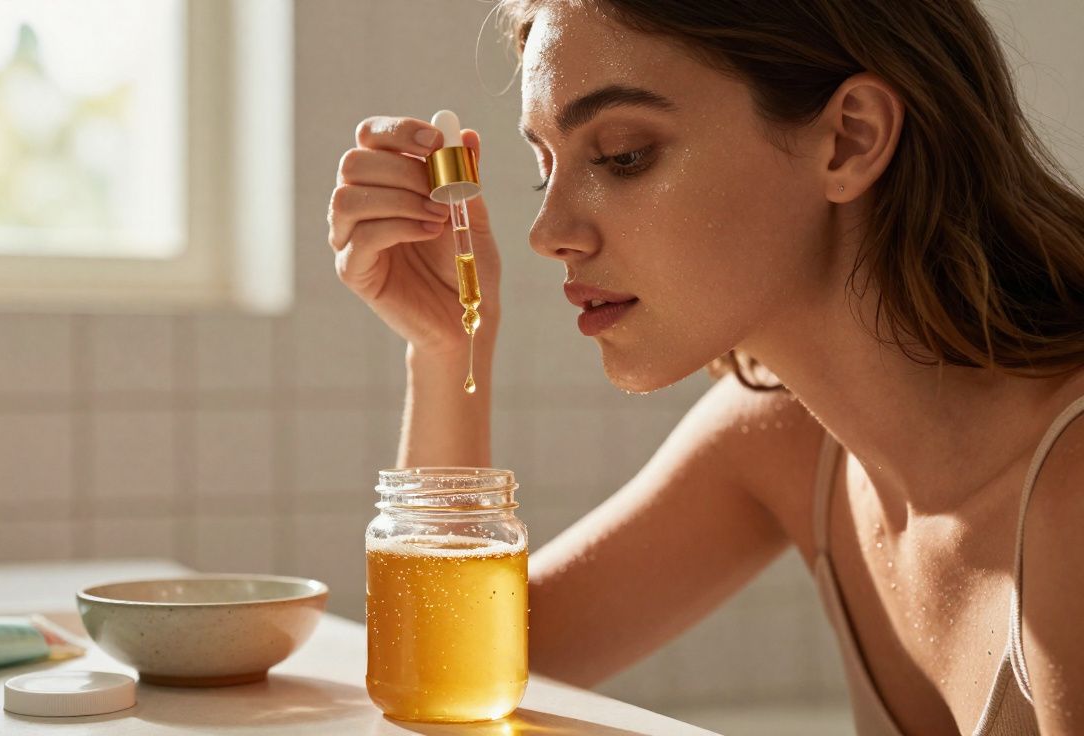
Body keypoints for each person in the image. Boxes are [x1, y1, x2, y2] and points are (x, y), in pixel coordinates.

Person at [324, 1, 1084, 733]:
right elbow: (445, 673)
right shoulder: (791, 435)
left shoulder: (1070, 487)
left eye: (624, 156)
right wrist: (450, 342)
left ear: (850, 138)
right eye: (542, 166)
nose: (548, 232)